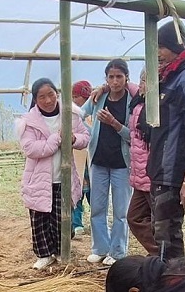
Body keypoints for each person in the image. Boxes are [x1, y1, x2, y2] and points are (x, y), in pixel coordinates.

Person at [135, 21, 185, 259]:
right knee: (162, 236)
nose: (157, 53)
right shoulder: (167, 76)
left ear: (176, 47)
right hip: (158, 170)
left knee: (168, 238)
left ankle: (177, 286)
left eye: (161, 46)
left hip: (172, 173)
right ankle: (169, 282)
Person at [17, 78, 91, 269]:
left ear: (57, 94)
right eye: (42, 97)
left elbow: (85, 137)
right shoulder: (29, 122)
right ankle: (43, 254)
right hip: (39, 178)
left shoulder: (70, 114)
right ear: (35, 99)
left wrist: (74, 138)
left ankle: (60, 251)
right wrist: (56, 139)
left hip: (63, 176)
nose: (48, 100)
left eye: (51, 94)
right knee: (40, 218)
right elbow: (30, 148)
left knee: (61, 218)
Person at [82, 59, 137, 266]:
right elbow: (80, 115)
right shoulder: (99, 97)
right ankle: (100, 248)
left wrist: (114, 124)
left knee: (121, 211)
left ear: (126, 78)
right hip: (98, 160)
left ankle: (118, 251)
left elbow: (134, 136)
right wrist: (88, 134)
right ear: (106, 78)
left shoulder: (133, 101)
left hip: (122, 163)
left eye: (119, 77)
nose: (115, 82)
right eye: (111, 77)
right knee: (97, 206)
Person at [125, 77, 159, 255]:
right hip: (139, 175)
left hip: (151, 175)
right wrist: (103, 87)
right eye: (141, 80)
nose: (142, 85)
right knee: (135, 217)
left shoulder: (157, 107)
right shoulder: (139, 100)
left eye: (147, 80)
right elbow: (123, 81)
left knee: (159, 222)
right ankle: (159, 254)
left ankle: (166, 259)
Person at [71, 80, 93, 235]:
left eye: (76, 96)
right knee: (76, 190)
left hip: (92, 159)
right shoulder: (72, 114)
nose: (73, 99)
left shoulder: (94, 113)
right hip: (77, 158)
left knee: (94, 192)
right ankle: (76, 222)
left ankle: (97, 219)